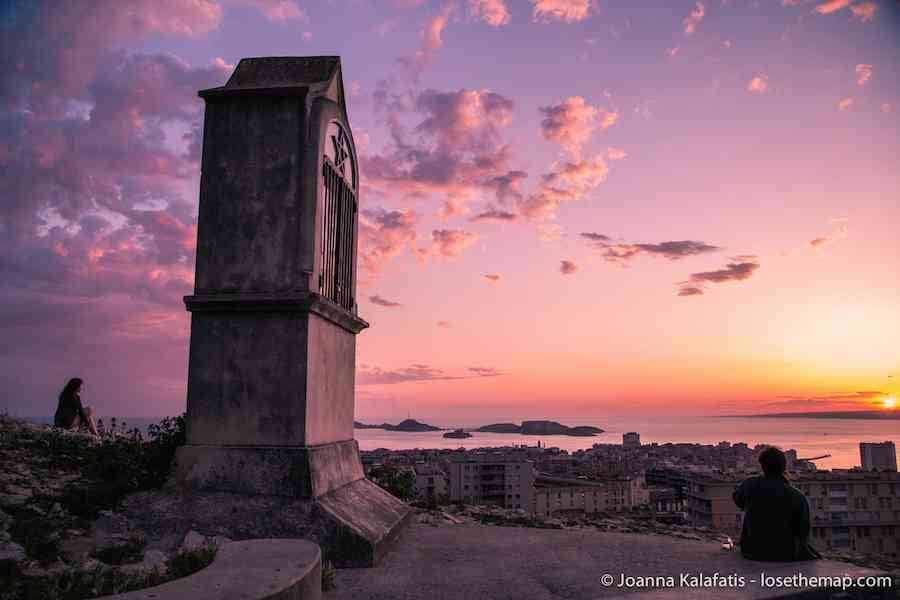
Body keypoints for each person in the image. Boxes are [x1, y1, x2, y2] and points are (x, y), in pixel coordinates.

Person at [733, 446, 820, 561]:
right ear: (784, 466)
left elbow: (738, 500)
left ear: (762, 465)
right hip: (786, 553)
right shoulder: (797, 496)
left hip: (752, 551)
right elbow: (803, 531)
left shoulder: (749, 485)